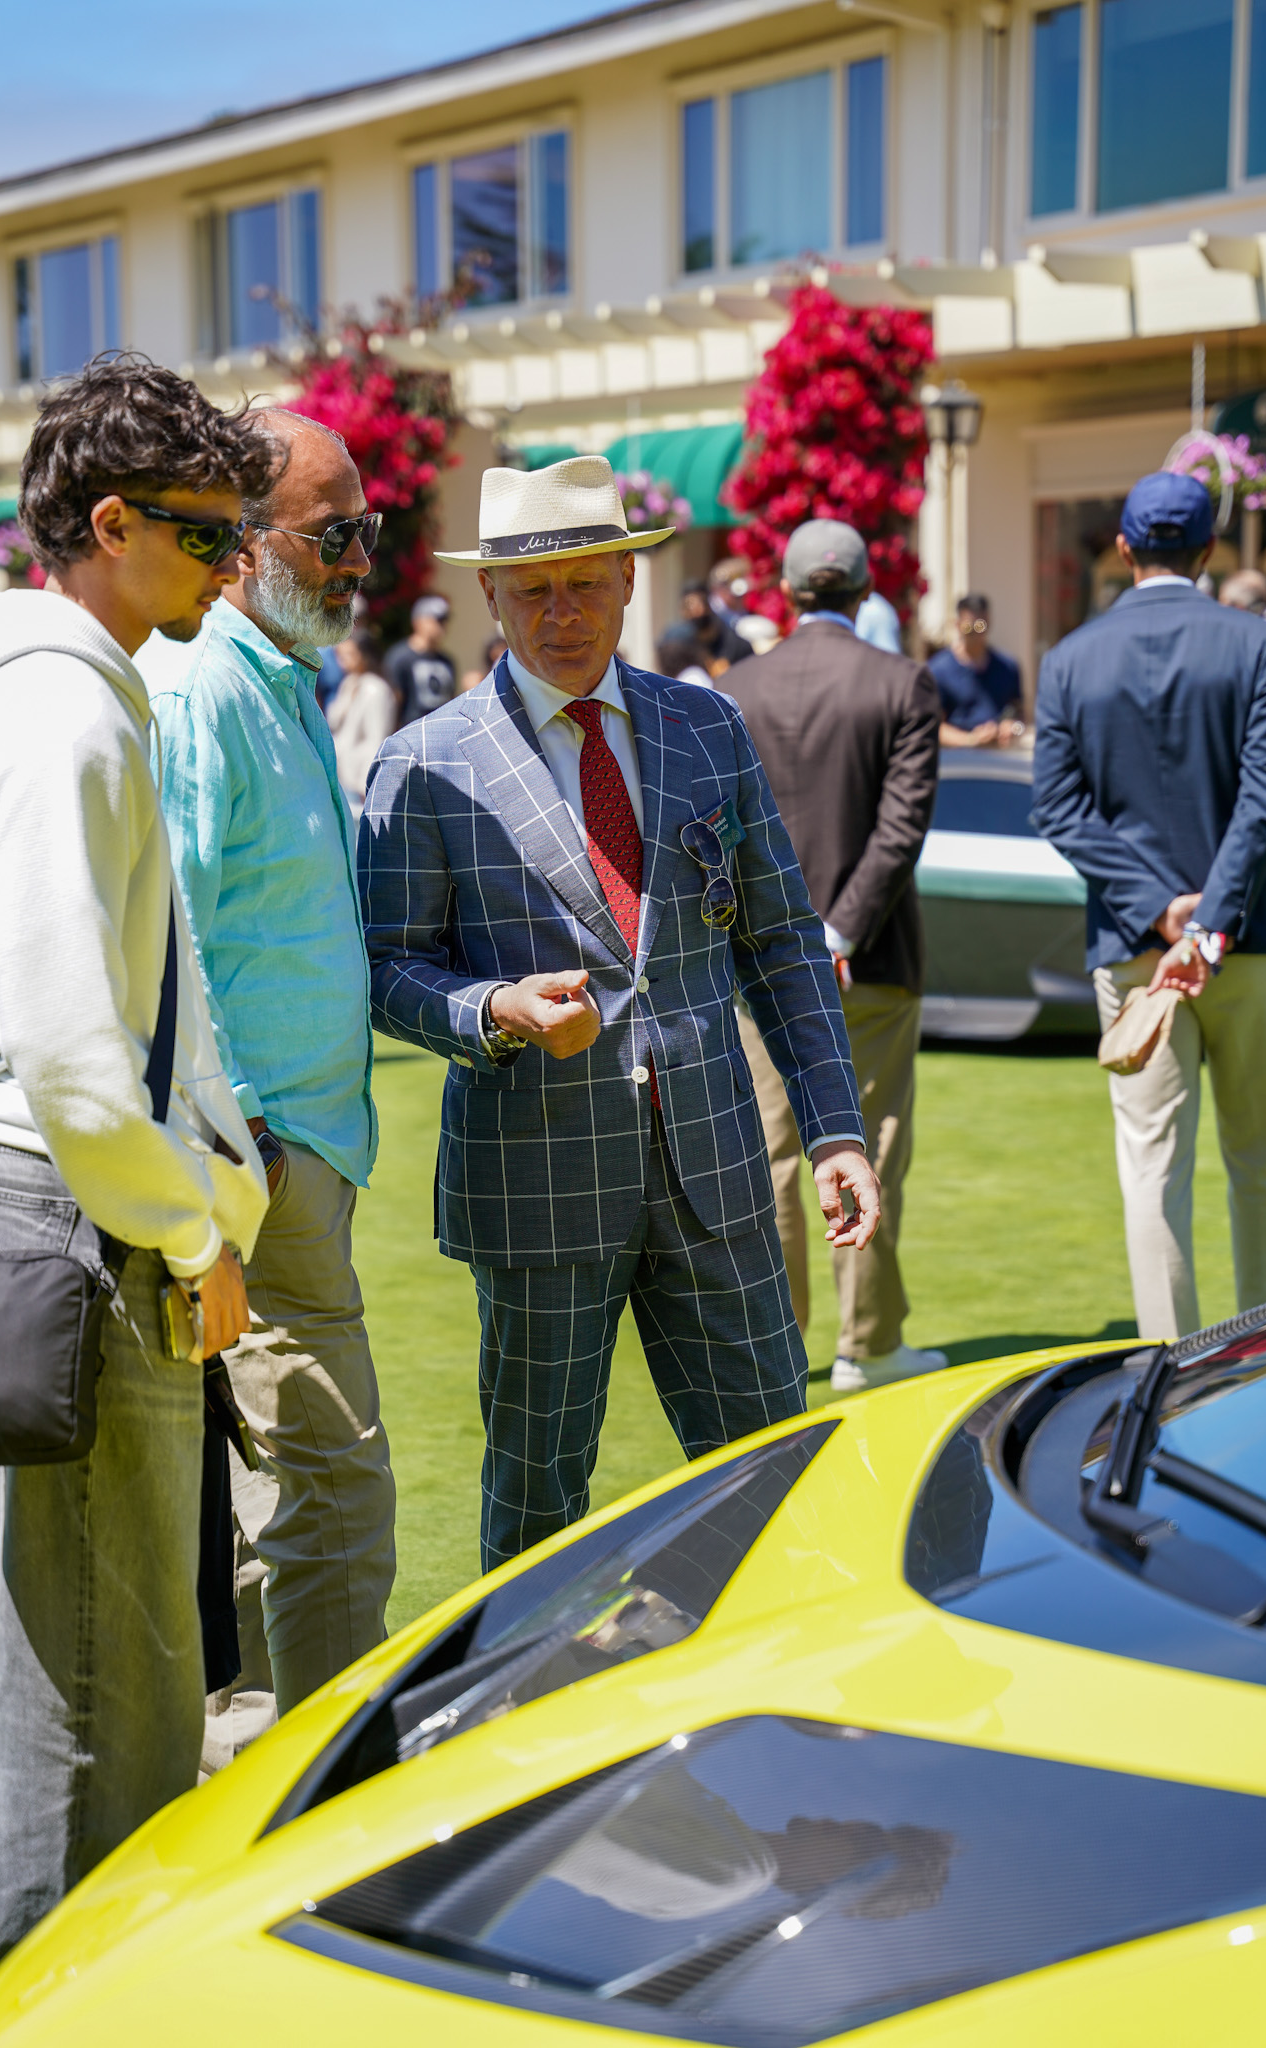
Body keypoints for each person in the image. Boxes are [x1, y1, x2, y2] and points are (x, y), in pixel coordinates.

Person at [361, 456, 880, 1570]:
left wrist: (834, 1127)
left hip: (715, 1173)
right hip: (537, 1185)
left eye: (586, 585)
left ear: (629, 583)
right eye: (533, 591)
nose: (562, 614)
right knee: (537, 1515)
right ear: (490, 595)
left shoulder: (708, 726)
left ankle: (765, 1678)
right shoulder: (425, 761)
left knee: (777, 1485)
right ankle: (529, 1688)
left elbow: (782, 939)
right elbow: (387, 965)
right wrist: (492, 1007)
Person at [0, 354, 272, 1995]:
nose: (232, 565)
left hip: (58, 1201)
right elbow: (73, 1056)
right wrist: (196, 1231)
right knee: (87, 1685)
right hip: (76, 1213)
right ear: (111, 523)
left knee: (105, 1669)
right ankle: (45, 2007)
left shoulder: (66, 688)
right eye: (206, 534)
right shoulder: (61, 705)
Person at [144, 408, 396, 1767]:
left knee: (269, 1499)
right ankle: (338, 1799)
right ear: (242, 544)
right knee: (337, 1490)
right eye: (333, 532)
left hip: (295, 1156)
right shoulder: (205, 691)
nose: (359, 559)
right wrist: (246, 1133)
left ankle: (251, 1772)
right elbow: (167, 930)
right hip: (263, 1160)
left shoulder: (277, 674)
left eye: (368, 529)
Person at [1033, 471, 1266, 1341]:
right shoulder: (1256, 645)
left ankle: (1170, 1380)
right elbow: (1265, 796)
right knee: (1264, 1164)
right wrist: (1206, 920)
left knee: (1151, 1172)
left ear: (1123, 548)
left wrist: (1162, 912)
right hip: (1250, 939)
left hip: (1137, 946)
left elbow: (1056, 807)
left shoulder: (1070, 658)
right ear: (1207, 550)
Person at [723, 520, 946, 1391]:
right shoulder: (901, 682)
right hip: (872, 956)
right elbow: (900, 828)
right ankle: (869, 1343)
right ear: (864, 591)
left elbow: (723, 834)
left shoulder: (735, 688)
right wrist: (839, 932)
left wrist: (788, 935)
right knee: (870, 1142)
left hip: (762, 961)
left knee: (776, 1157)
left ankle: (787, 1346)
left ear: (785, 591)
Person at [929, 594, 1023, 748]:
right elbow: (931, 726)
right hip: (957, 758)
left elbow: (1019, 714)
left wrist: (1012, 727)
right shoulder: (938, 670)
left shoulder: (1008, 667)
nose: (975, 634)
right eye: (968, 627)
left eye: (980, 627)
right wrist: (971, 739)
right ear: (957, 625)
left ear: (989, 623)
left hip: (1000, 755)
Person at [327, 626, 399, 803]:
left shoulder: (375, 689)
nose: (343, 661)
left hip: (359, 780)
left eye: (349, 655)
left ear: (364, 655)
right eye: (340, 656)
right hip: (342, 775)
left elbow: (376, 738)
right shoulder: (349, 682)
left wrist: (365, 782)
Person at [384, 591, 456, 722]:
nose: (442, 626)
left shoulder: (446, 661)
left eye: (445, 620)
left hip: (441, 728)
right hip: (410, 728)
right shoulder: (400, 657)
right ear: (418, 621)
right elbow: (393, 701)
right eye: (438, 620)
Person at [680, 576, 750, 674]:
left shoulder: (732, 642)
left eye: (701, 603)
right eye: (688, 606)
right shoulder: (682, 641)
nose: (696, 611)